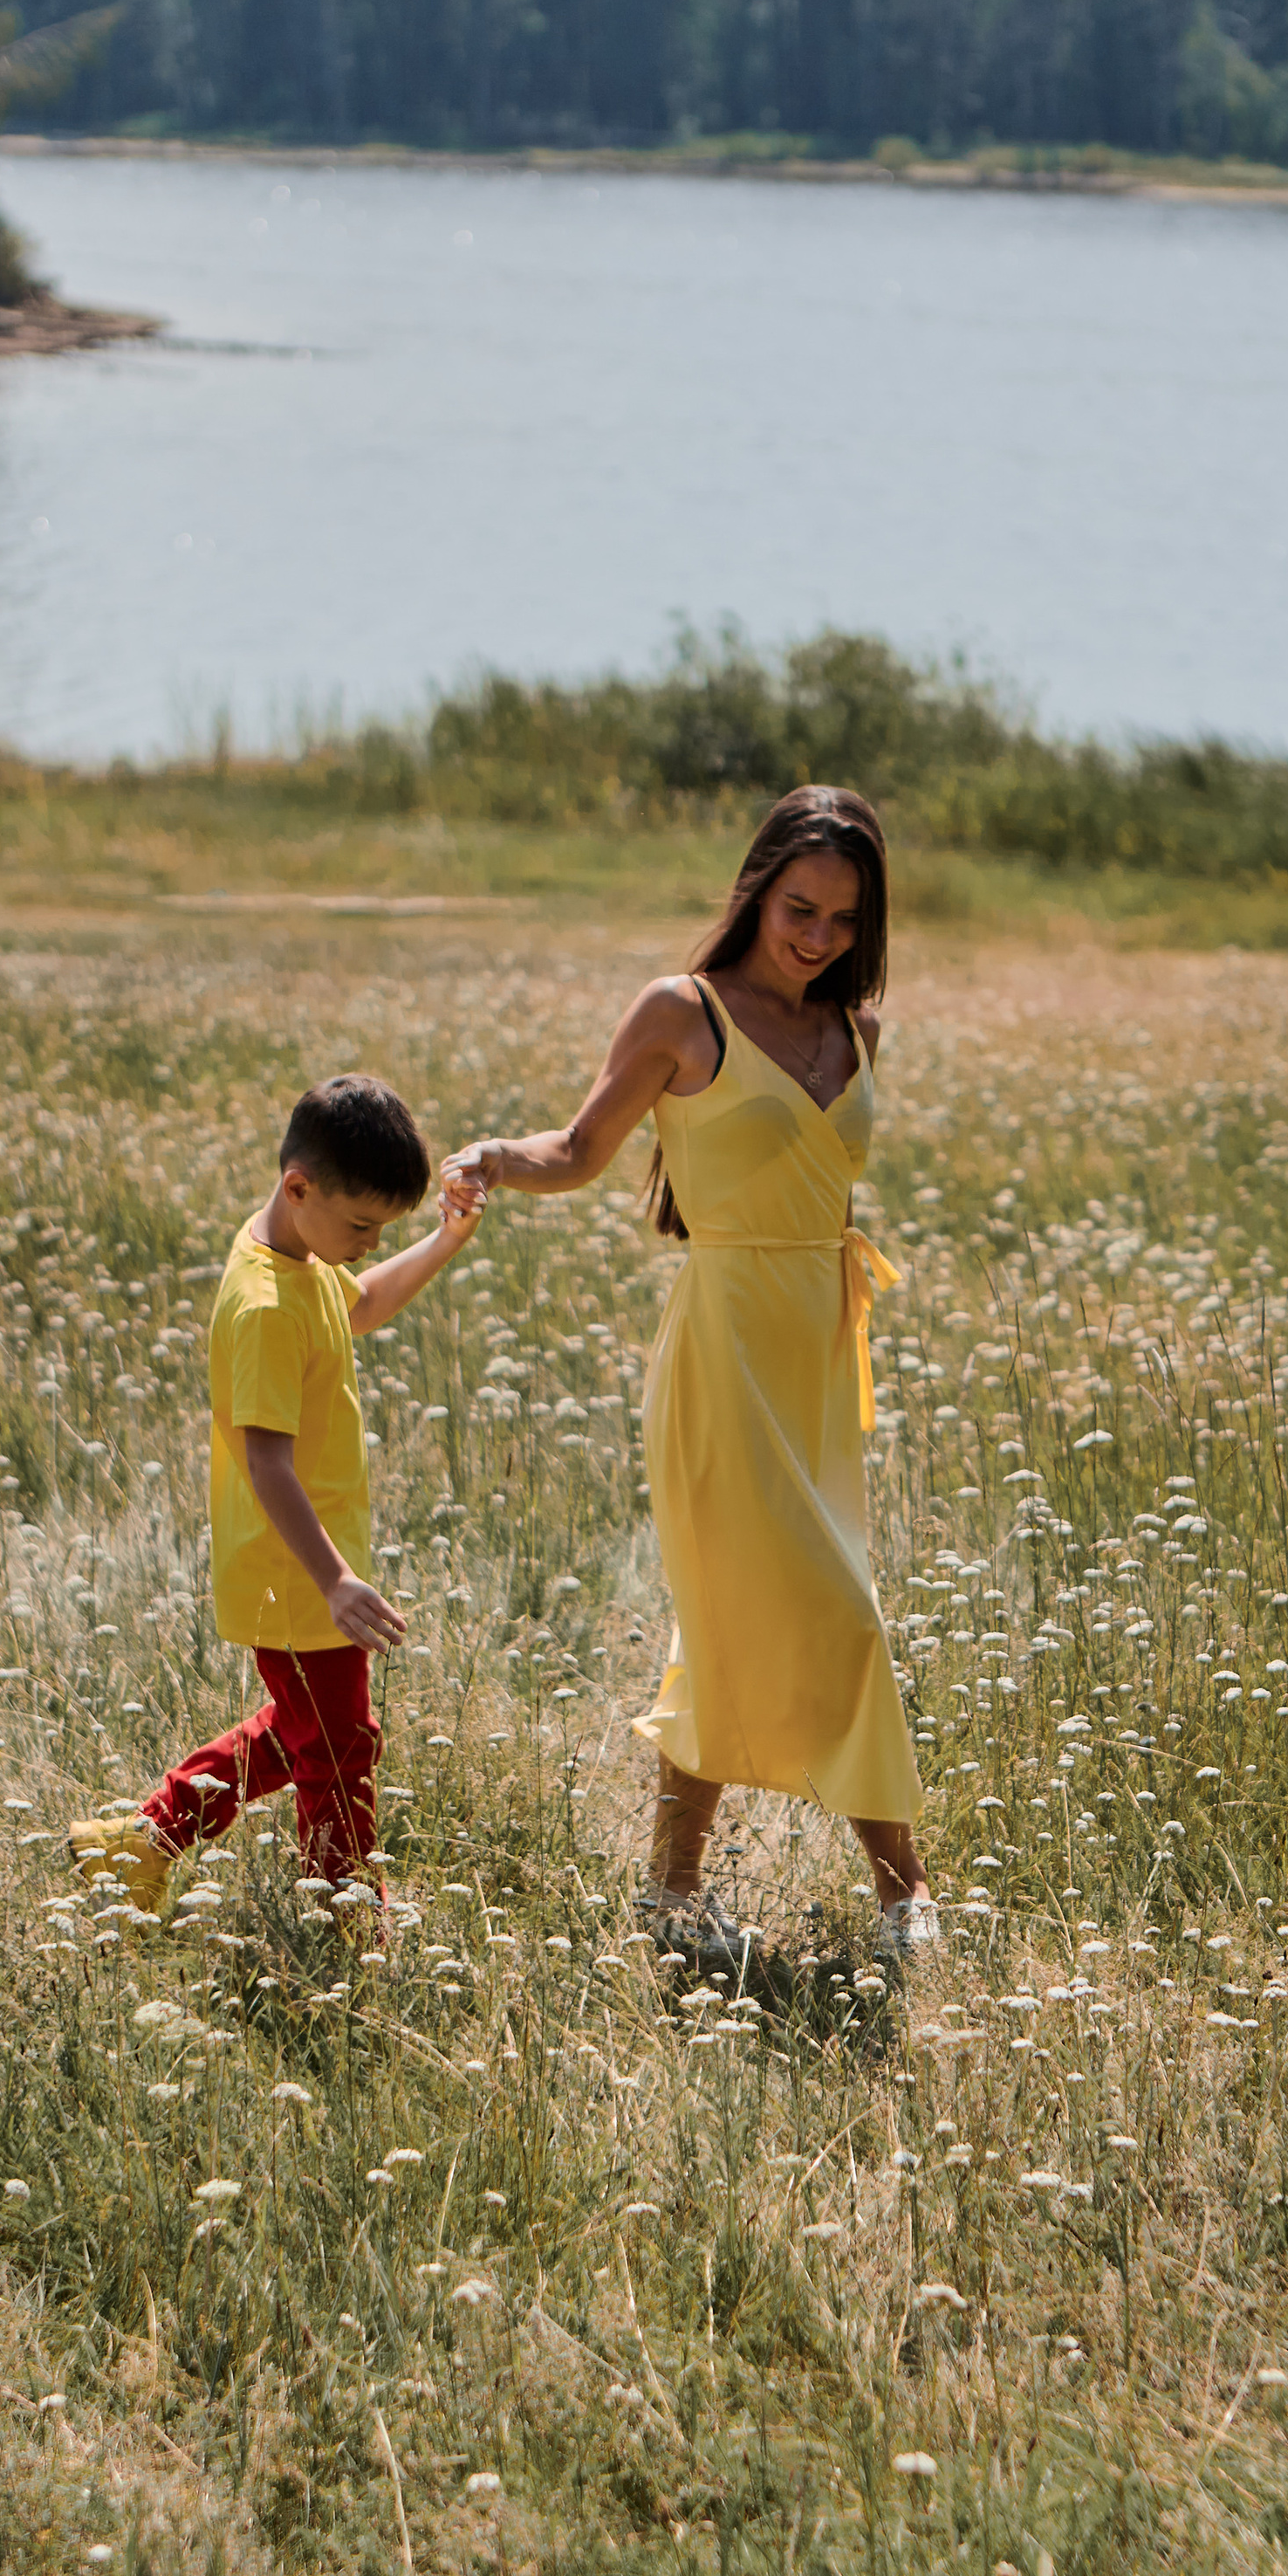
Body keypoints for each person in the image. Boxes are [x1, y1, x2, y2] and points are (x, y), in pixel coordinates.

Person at [445, 785, 935, 1956]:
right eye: (799, 908)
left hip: (815, 1352)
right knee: (841, 1615)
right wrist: (490, 1161)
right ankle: (906, 1894)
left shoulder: (858, 1031)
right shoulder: (682, 1011)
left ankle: (670, 1896)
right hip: (722, 1351)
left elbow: (824, 1188)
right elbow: (577, 1149)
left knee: (731, 1622)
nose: (816, 937)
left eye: (842, 922)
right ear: (759, 887)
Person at [70, 1073, 481, 1920]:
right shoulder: (262, 1302)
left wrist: (444, 1241)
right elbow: (267, 1465)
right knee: (337, 1747)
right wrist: (334, 1579)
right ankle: (344, 1914)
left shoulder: (301, 1259)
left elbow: (360, 1304)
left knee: (302, 1733)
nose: (368, 1243)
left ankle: (142, 1843)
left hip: (309, 1564)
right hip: (295, 1570)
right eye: (361, 1224)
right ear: (299, 1188)